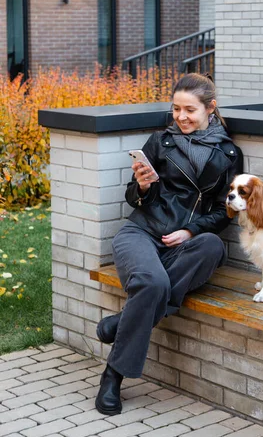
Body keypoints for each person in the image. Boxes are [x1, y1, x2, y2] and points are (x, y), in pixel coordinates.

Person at [95, 73, 243, 415]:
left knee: (213, 247)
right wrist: (143, 187)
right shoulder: (159, 142)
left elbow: (226, 209)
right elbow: (133, 199)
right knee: (152, 282)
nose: (181, 117)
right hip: (142, 233)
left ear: (210, 108)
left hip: (184, 242)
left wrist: (191, 231)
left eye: (189, 110)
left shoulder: (229, 153)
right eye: (176, 109)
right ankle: (113, 376)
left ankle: (121, 323)